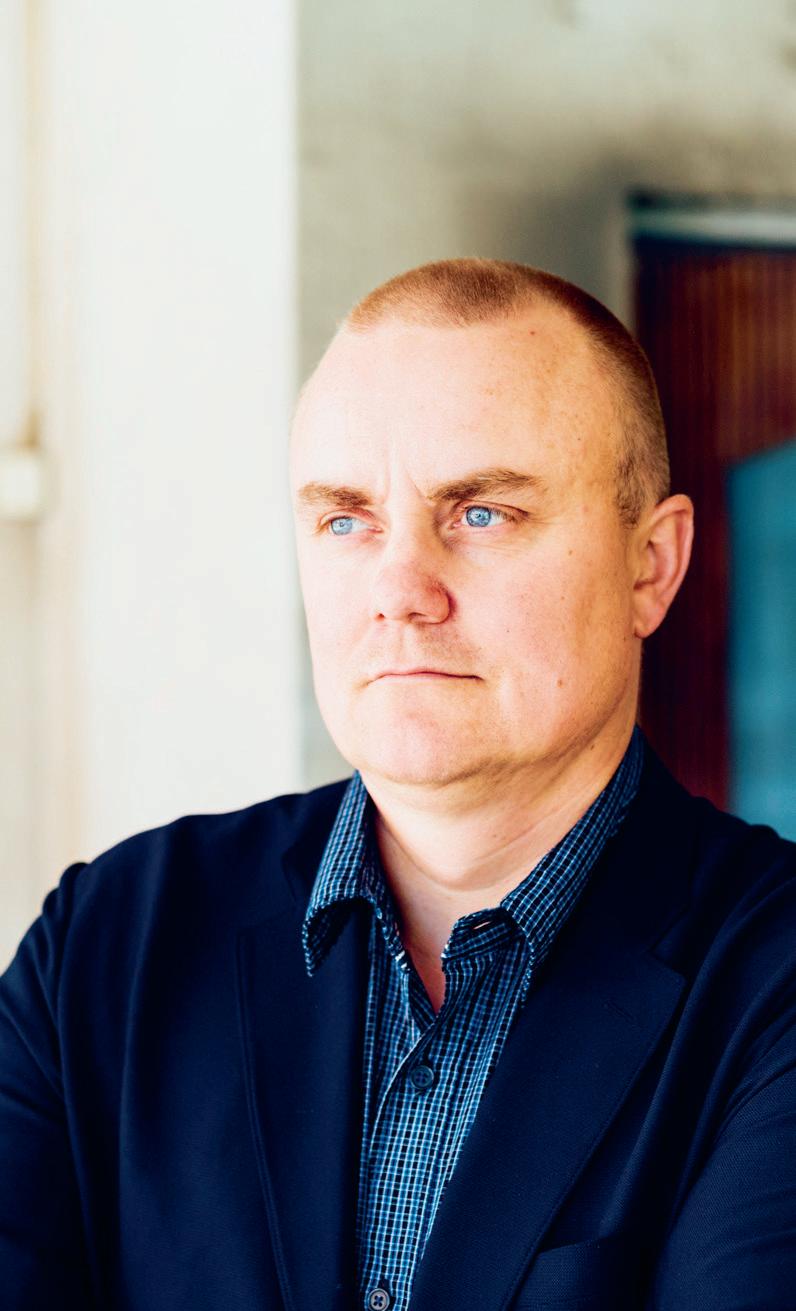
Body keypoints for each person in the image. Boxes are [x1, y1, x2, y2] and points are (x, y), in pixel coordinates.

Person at [0, 258, 794, 1311]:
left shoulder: (773, 979)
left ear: (650, 564)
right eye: (347, 520)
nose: (400, 591)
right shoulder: (107, 944)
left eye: (482, 514)